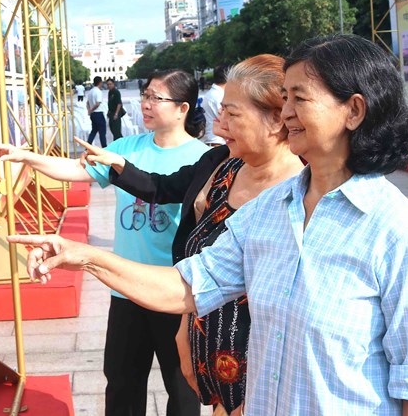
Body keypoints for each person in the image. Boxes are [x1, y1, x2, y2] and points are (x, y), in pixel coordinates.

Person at [10, 34, 408, 416]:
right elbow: (189, 284)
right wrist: (82, 256)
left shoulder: (398, 234)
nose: (286, 113)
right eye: (284, 98)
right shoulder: (270, 209)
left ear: (353, 110)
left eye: (299, 99)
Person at [79, 55, 303, 415]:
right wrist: (186, 326)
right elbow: (165, 192)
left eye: (231, 113)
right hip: (206, 334)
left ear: (277, 119)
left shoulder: (302, 193)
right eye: (221, 110)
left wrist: (88, 258)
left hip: (262, 358)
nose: (218, 122)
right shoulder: (221, 164)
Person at [0, 69, 209, 416]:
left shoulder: (202, 158)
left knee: (182, 388)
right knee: (121, 382)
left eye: (156, 98)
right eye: (146, 95)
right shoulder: (127, 147)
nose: (146, 104)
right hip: (124, 288)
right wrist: (27, 157)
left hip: (174, 291)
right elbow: (77, 170)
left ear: (182, 108)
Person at [200, 65, 227, 147]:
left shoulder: (213, 93)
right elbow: (227, 121)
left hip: (213, 142)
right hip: (217, 143)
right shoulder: (220, 96)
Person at [86, 76, 108, 147]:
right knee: (102, 132)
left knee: (94, 131)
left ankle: (88, 146)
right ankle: (104, 147)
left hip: (93, 114)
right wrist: (92, 109)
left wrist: (89, 110)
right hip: (98, 113)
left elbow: (87, 102)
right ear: (100, 82)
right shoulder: (98, 91)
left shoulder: (90, 91)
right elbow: (98, 103)